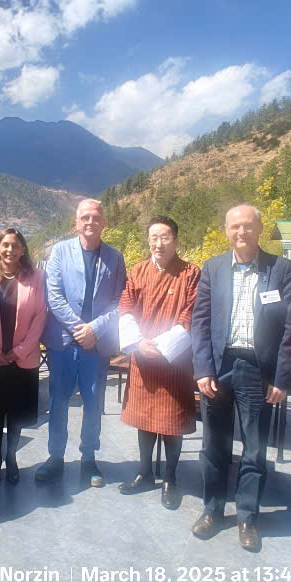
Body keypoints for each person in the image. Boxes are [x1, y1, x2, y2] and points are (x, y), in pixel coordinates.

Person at [190, 203, 291, 552]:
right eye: (235, 226)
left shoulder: (280, 270)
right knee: (214, 444)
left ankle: (247, 518)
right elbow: (199, 322)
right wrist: (203, 369)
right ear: (226, 231)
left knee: (254, 447)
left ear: (259, 229)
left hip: (257, 370)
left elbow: (290, 327)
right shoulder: (213, 268)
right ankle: (212, 510)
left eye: (248, 226)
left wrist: (281, 378)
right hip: (219, 367)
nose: (241, 232)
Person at [36, 199, 126, 487]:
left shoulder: (115, 257)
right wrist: (79, 329)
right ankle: (55, 457)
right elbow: (54, 295)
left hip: (96, 345)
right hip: (64, 342)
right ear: (76, 222)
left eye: (96, 217)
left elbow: (119, 302)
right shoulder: (60, 251)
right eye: (84, 217)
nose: (90, 221)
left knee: (93, 402)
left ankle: (89, 458)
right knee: (58, 402)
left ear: (104, 222)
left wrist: (94, 330)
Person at [116, 216, 200, 510]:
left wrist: (163, 346)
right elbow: (125, 307)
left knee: (171, 423)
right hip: (142, 357)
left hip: (175, 360)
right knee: (145, 419)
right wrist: (138, 343)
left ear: (176, 240)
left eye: (165, 237)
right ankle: (145, 473)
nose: (159, 243)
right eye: (154, 237)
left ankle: (170, 479)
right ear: (148, 240)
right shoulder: (138, 271)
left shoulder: (191, 273)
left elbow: (191, 313)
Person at [0, 228, 47, 485]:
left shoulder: (37, 277)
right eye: (5, 245)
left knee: (16, 416)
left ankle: (12, 457)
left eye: (15, 245)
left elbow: (40, 316)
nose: (10, 250)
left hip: (22, 360)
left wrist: (19, 351)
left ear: (23, 249)